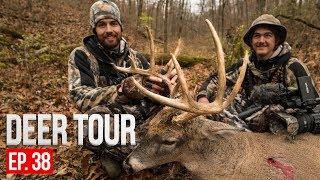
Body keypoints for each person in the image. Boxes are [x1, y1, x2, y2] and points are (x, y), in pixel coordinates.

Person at [68, 0, 176, 177]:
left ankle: (122, 155)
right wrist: (122, 90)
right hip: (112, 119)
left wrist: (163, 90)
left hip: (142, 118)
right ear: (94, 30)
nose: (109, 29)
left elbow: (153, 94)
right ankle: (151, 157)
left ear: (120, 27)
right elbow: (80, 96)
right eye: (101, 25)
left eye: (113, 23)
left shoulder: (137, 57)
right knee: (88, 126)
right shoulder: (82, 55)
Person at [197, 14, 320, 135]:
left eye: (268, 35)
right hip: (249, 109)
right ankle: (233, 130)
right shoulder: (245, 64)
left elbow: (313, 104)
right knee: (220, 98)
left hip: (279, 116)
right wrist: (203, 98)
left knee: (271, 114)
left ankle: (240, 133)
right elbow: (215, 80)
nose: (261, 41)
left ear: (276, 40)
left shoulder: (294, 67)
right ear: (251, 41)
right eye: (257, 36)